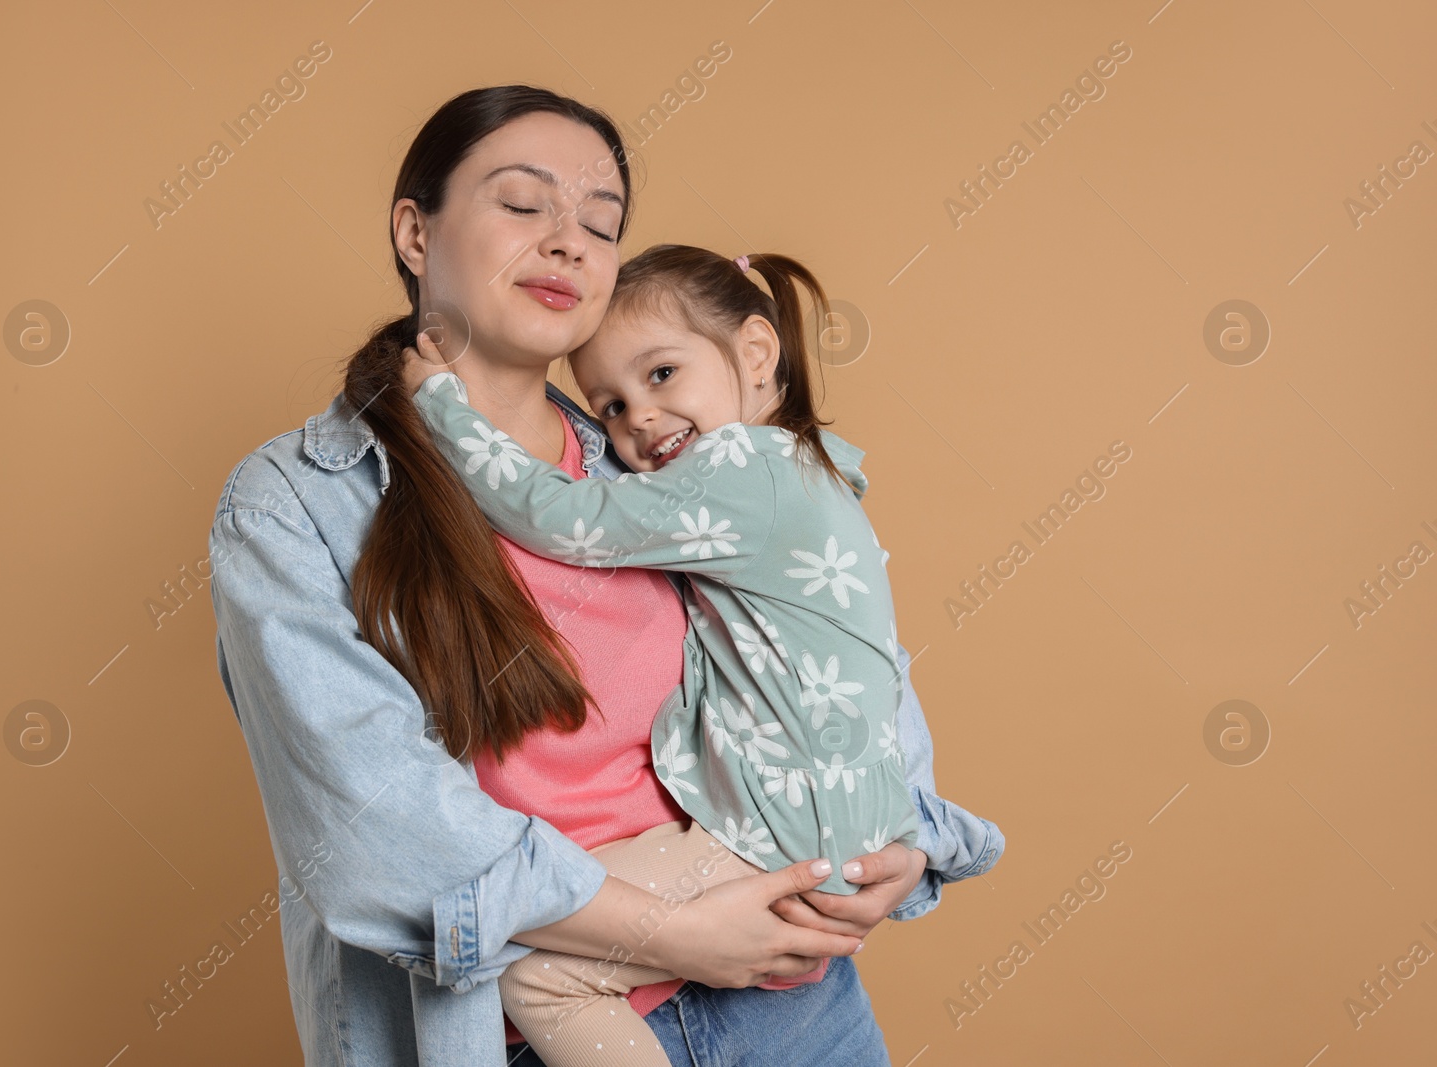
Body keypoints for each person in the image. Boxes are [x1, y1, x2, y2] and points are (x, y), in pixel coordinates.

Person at [208, 85, 1004, 1067]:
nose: (568, 241)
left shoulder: (663, 453)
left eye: (600, 221)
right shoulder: (296, 503)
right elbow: (377, 825)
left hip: (790, 1002)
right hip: (530, 1030)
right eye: (521, 202)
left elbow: (831, 638)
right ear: (416, 232)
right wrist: (669, 934)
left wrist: (905, 837)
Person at [402, 242, 974, 1066]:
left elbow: (560, 517)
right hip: (837, 830)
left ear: (753, 352)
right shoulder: (812, 471)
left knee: (539, 979)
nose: (637, 417)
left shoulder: (740, 467)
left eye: (663, 374)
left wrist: (444, 406)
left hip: (776, 833)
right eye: (607, 405)